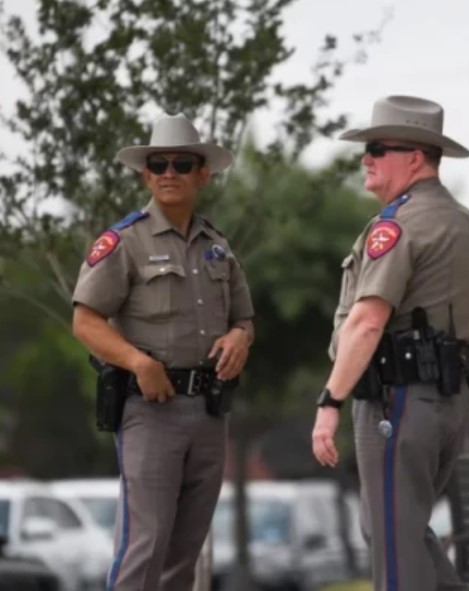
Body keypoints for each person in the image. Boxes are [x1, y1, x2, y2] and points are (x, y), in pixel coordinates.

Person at [310, 95, 469, 591]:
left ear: (415, 157)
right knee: (393, 528)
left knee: (393, 541)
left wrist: (329, 402)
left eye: (378, 148)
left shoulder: (399, 225)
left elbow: (368, 322)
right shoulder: (464, 222)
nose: (366, 159)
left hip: (401, 398)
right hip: (449, 399)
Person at [72, 113, 254, 591]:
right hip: (151, 409)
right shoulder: (124, 242)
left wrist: (241, 337)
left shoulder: (218, 246)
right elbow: (85, 321)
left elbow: (244, 318)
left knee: (185, 548)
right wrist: (137, 362)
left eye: (181, 162)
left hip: (211, 409)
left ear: (202, 174)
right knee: (145, 542)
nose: (169, 172)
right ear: (146, 174)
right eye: (159, 164)